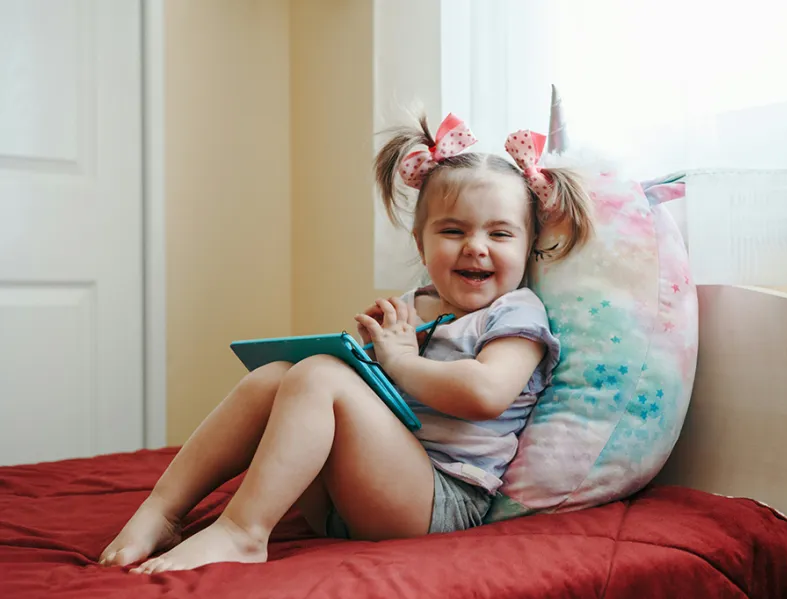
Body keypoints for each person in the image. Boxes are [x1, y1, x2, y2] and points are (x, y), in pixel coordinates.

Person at [98, 113, 593, 574]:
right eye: (452, 230)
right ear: (421, 243)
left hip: (438, 500)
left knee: (319, 376)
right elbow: (368, 401)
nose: (475, 246)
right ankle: (163, 509)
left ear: (529, 249)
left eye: (500, 233)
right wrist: (367, 367)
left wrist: (396, 362)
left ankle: (243, 531)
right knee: (279, 375)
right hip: (351, 496)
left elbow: (486, 393)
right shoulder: (412, 306)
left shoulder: (516, 312)